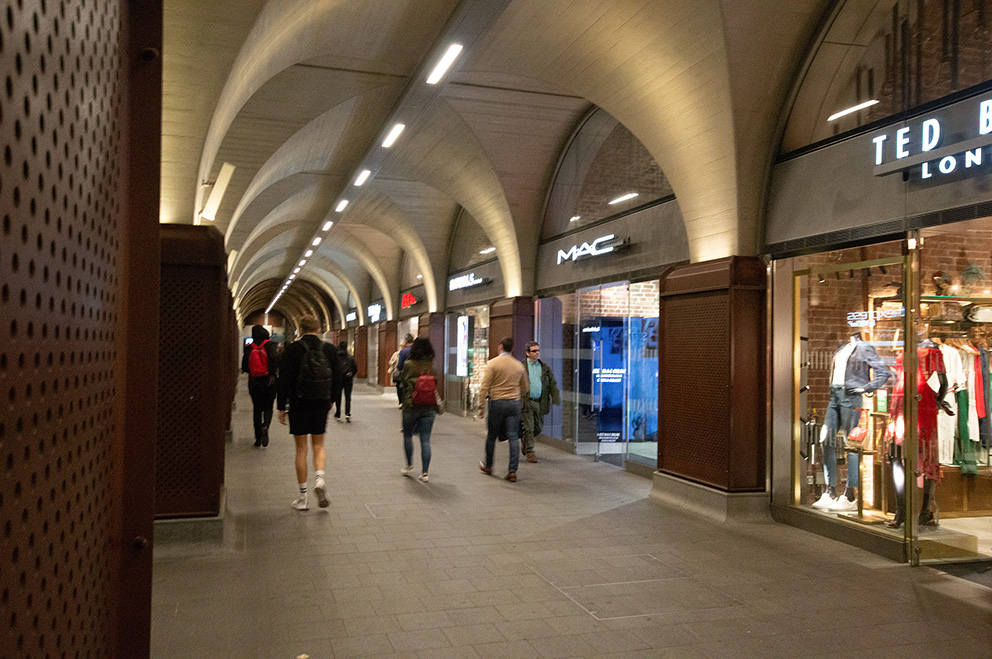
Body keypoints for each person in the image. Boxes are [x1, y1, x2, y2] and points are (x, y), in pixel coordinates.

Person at [811, 332, 890, 512]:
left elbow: (883, 373)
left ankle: (850, 494)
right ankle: (830, 491)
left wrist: (865, 388)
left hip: (850, 397)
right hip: (835, 396)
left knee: (851, 444)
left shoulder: (864, 347)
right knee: (826, 440)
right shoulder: (843, 348)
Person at [277, 316, 342, 511]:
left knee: (301, 449)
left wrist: (282, 407)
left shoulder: (292, 349)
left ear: (301, 329)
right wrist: (332, 400)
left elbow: (284, 380)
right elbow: (338, 378)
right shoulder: (329, 350)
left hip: (298, 402)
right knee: (319, 445)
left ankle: (303, 496)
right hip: (321, 402)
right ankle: (320, 478)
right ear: (319, 329)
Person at [478, 337, 529, 482]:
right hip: (514, 403)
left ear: (500, 347)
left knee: (491, 436)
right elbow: (525, 387)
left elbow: (484, 387)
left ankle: (488, 465)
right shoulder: (518, 365)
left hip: (497, 402)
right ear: (512, 349)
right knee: (513, 436)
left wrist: (481, 406)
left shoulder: (493, 364)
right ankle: (512, 471)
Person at [399, 337, 439, 482]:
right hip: (429, 407)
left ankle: (409, 465)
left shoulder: (409, 364)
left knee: (408, 436)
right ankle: (425, 473)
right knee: (425, 440)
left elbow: (403, 381)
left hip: (411, 405)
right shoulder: (432, 365)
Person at [520, 341, 560, 463]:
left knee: (538, 427)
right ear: (527, 353)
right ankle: (530, 452)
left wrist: (555, 397)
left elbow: (553, 383)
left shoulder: (544, 368)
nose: (537, 353)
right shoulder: (521, 367)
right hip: (526, 401)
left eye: (538, 351)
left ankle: (525, 441)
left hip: (540, 402)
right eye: (534, 351)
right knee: (529, 427)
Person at [241, 325, 280, 448]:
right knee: (268, 407)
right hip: (269, 381)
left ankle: (257, 438)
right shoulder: (271, 345)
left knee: (257, 409)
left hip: (254, 381)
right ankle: (265, 427)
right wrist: (272, 375)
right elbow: (275, 360)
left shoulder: (249, 348)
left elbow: (245, 367)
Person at [334, 341, 357, 423]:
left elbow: (333, 369)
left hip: (338, 379)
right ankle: (347, 413)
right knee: (348, 397)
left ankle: (338, 413)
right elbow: (355, 369)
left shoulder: (336, 358)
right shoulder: (350, 358)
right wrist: (351, 374)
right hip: (348, 379)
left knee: (338, 397)